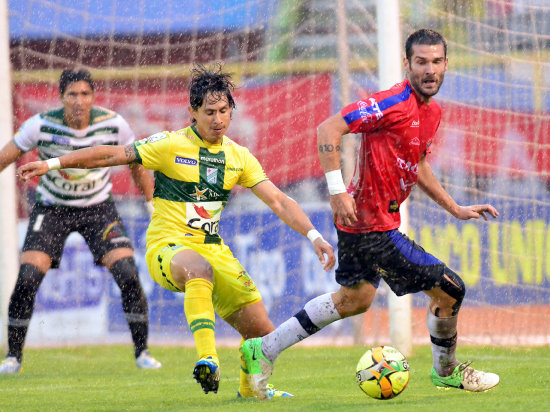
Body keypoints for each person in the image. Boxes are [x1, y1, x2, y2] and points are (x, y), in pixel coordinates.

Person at [17, 64, 336, 398]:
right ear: (192, 113)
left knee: (262, 336)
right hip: (167, 247)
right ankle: (208, 359)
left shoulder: (239, 157)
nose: (218, 119)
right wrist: (52, 164)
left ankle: (252, 392)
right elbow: (111, 155)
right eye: (209, 112)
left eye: (224, 111)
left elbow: (280, 201)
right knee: (198, 268)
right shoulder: (169, 145)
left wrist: (314, 236)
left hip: (214, 249)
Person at [240, 28, 501, 399]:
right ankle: (446, 371)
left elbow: (419, 163)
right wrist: (335, 191)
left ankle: (263, 349)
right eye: (422, 62)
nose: (430, 69)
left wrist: (455, 207)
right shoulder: (390, 102)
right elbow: (328, 128)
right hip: (371, 226)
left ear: (446, 64)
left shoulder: (433, 112)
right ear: (407, 63)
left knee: (354, 300)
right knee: (450, 291)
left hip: (365, 224)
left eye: (437, 61)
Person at [0, 68, 161, 374]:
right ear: (61, 97)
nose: (79, 101)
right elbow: (4, 157)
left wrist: (152, 203)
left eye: (85, 94)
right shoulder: (40, 126)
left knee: (128, 272)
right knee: (27, 278)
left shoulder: (114, 124)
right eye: (72, 94)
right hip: (52, 209)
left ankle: (143, 353)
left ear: (93, 96)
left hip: (98, 208)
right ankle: (13, 358)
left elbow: (137, 165)